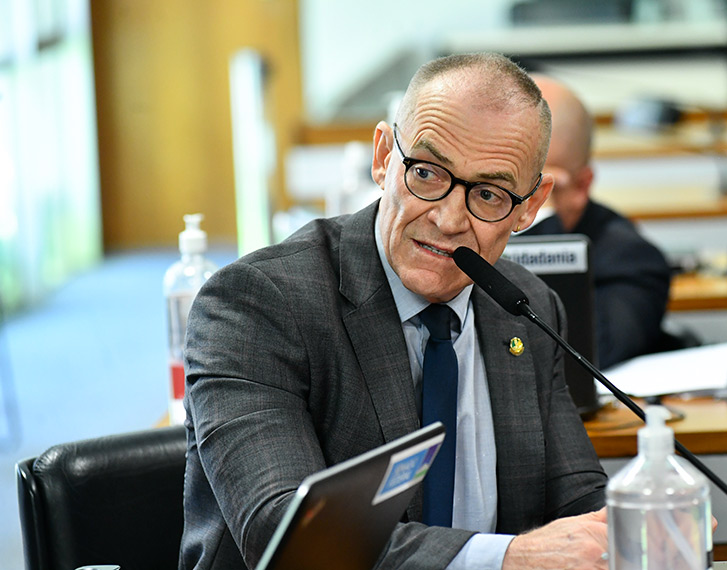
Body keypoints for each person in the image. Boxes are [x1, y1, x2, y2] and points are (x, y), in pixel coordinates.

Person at [180, 53, 608, 570]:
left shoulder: (529, 309)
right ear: (383, 157)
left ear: (529, 206)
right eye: (426, 173)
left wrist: (639, 525)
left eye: (489, 193)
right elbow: (289, 537)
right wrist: (506, 559)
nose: (448, 220)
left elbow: (579, 500)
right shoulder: (256, 305)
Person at [523, 74, 672, 368]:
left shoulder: (629, 260)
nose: (510, 210)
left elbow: (590, 356)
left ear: (581, 187)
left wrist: (541, 227)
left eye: (531, 191)